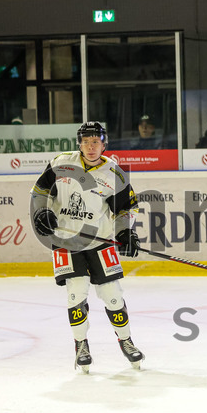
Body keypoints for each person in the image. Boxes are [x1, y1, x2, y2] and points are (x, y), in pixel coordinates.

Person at [29, 121, 144, 373]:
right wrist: (42, 213)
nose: (90, 147)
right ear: (79, 144)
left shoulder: (114, 174)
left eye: (96, 142)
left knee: (112, 295)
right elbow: (39, 192)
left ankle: (126, 340)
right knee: (76, 293)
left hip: (99, 241)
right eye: (85, 142)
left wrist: (125, 232)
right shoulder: (61, 163)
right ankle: (81, 345)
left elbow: (124, 208)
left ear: (104, 144)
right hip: (65, 241)